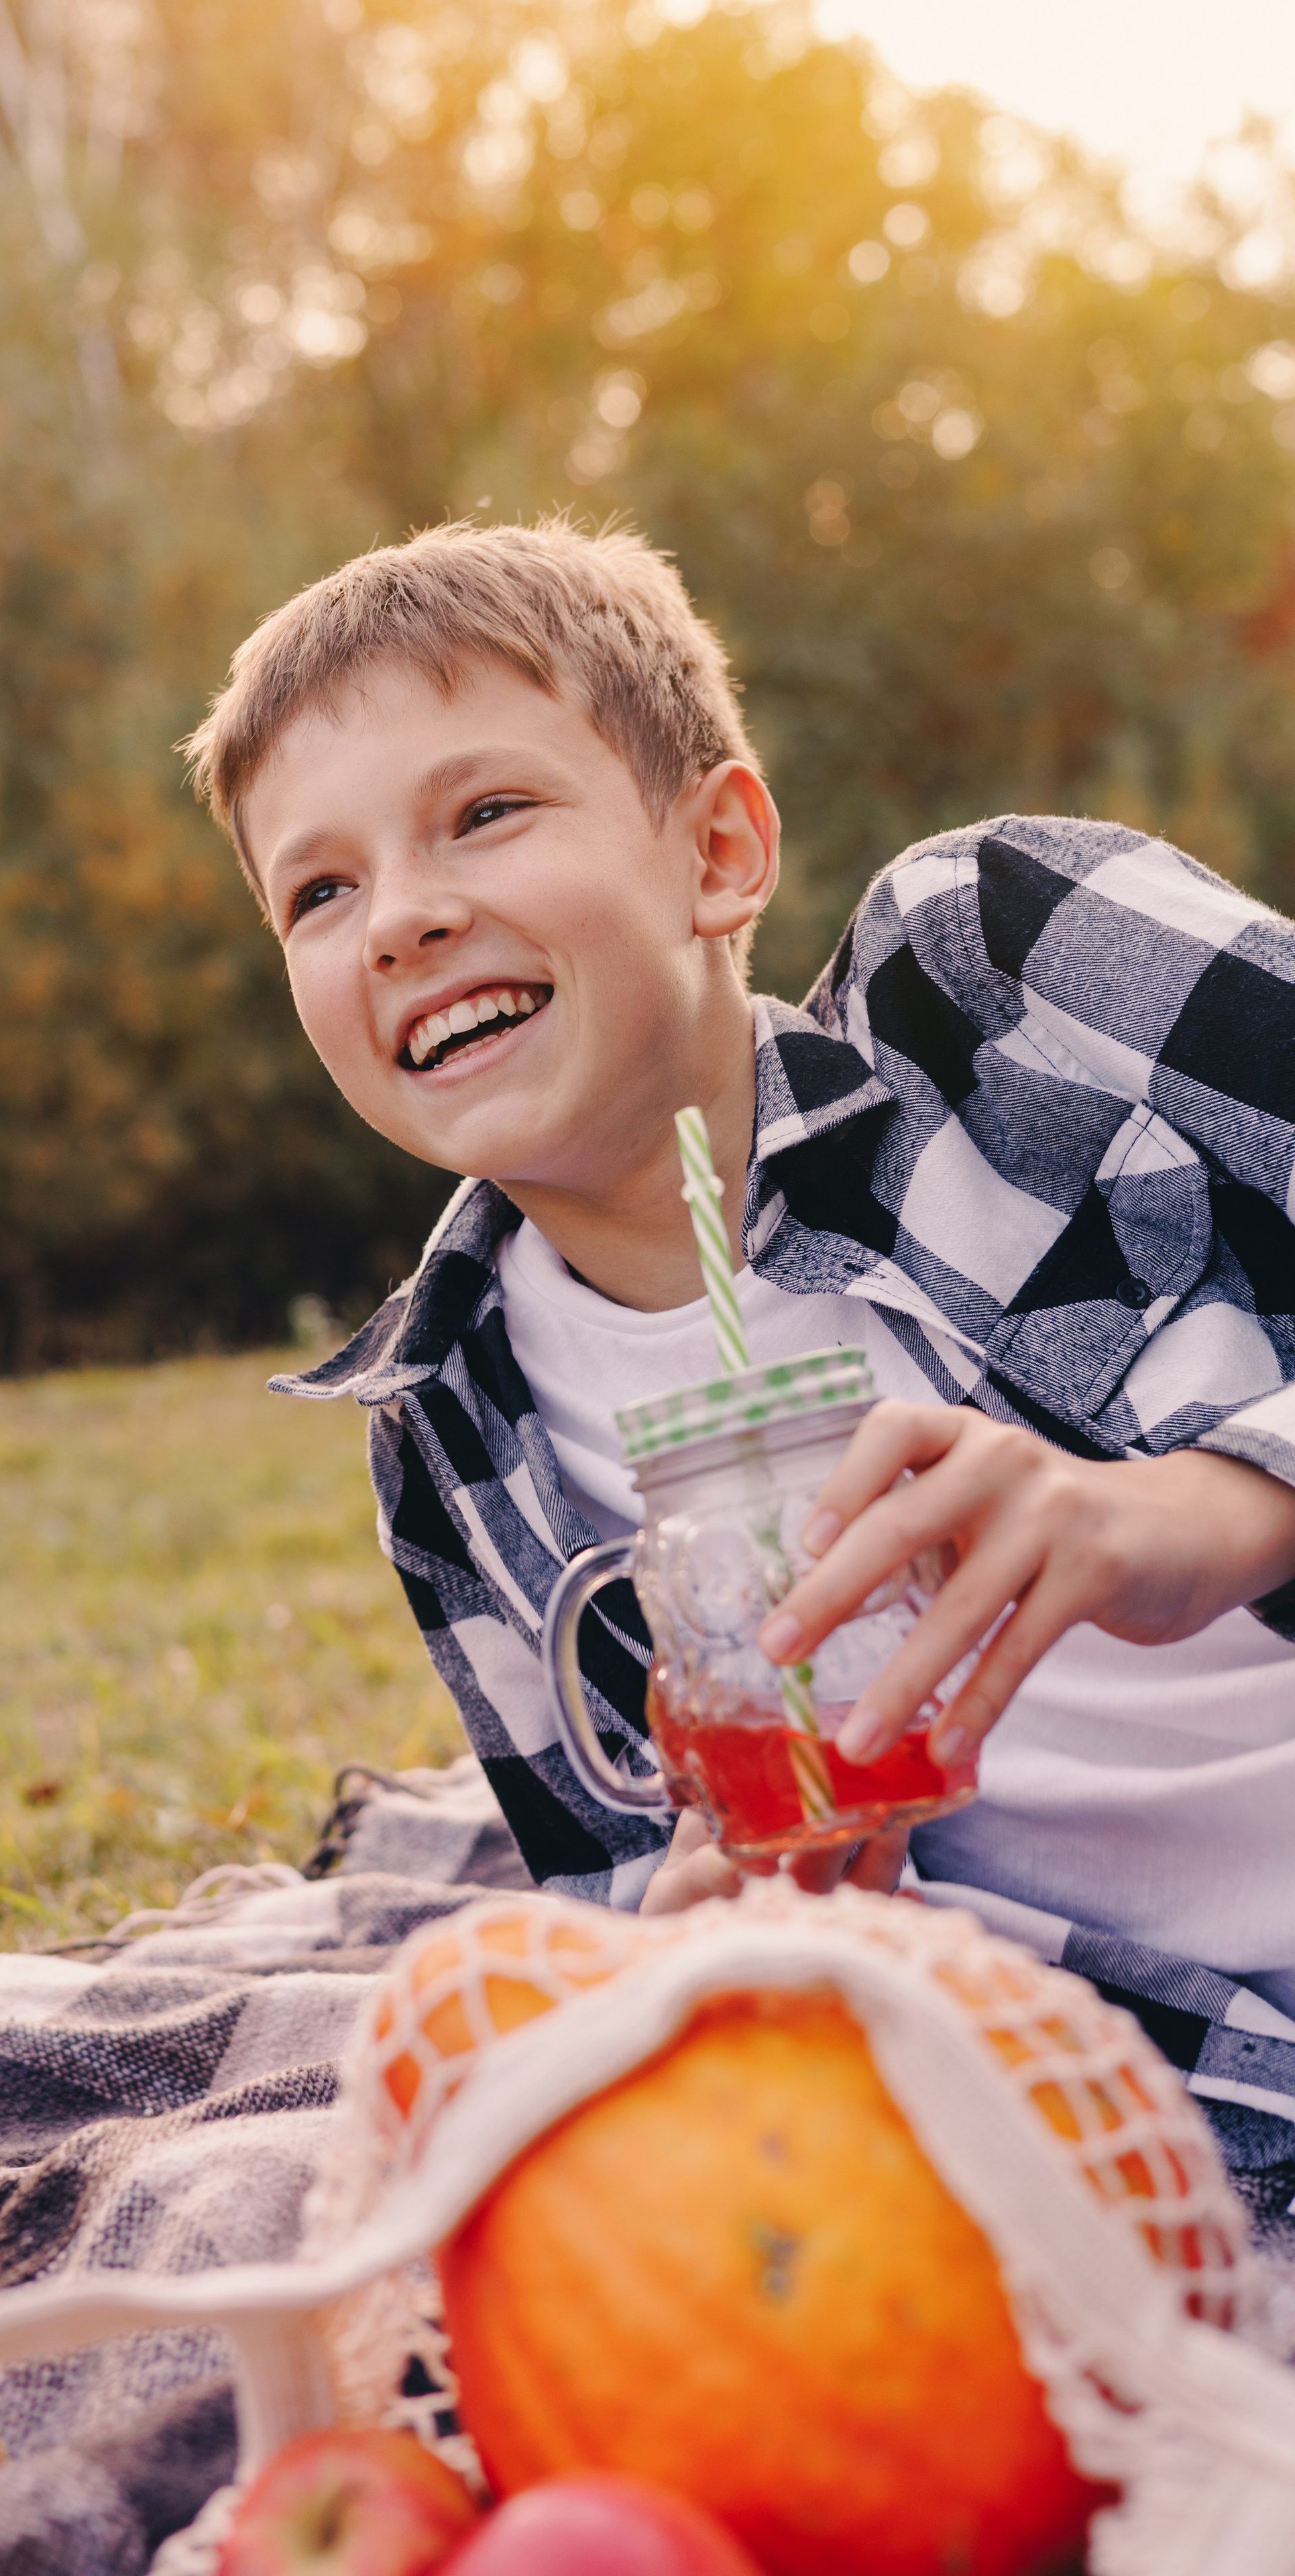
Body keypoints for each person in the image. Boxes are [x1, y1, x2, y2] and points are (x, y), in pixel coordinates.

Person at [182, 517, 1295, 2169]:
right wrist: (707, 1931)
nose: (399, 920)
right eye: (319, 890)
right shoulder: (455, 1435)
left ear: (716, 853)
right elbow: (637, 1886)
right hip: (1173, 2099)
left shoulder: (995, 970)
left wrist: (1206, 1514)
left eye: (484, 813)